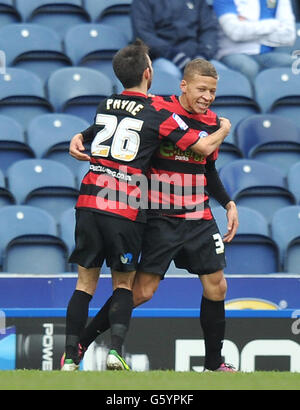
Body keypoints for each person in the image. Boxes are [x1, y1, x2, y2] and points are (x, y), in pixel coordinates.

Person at [62, 41, 232, 371]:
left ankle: (214, 366)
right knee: (141, 292)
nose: (207, 98)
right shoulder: (159, 108)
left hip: (198, 215)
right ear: (183, 85)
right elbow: (121, 119)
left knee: (218, 284)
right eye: (201, 90)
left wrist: (227, 201)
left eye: (212, 92)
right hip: (159, 215)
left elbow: (207, 167)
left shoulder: (210, 121)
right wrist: (81, 134)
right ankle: (83, 341)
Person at [130, 0, 220, 78]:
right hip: (161, 57)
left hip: (196, 55)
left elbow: (209, 29)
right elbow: (143, 35)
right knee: (171, 75)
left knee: (219, 73)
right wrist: (174, 56)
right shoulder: (142, 1)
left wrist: (202, 56)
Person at [213, 0, 296, 83]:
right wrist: (274, 24)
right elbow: (235, 33)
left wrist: (247, 28)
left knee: (294, 64)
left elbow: (289, 36)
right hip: (232, 53)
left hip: (265, 54)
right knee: (248, 68)